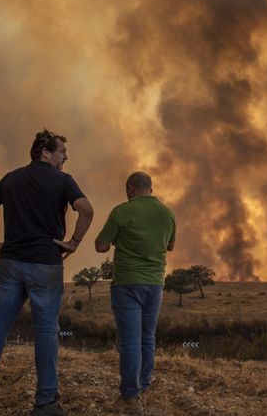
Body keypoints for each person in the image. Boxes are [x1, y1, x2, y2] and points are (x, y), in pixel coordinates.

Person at [0, 129, 94, 416]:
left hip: (9, 263)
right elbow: (86, 210)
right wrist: (73, 243)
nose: (66, 157)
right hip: (46, 264)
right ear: (45, 152)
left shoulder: (12, 178)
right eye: (62, 152)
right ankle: (46, 403)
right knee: (46, 332)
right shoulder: (63, 181)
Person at [95, 172, 176, 414]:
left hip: (128, 284)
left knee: (130, 340)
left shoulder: (121, 211)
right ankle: (144, 387)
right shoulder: (167, 213)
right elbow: (170, 245)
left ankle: (130, 397)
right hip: (155, 284)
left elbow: (101, 246)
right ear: (151, 188)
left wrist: (119, 240)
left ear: (130, 188)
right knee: (147, 337)